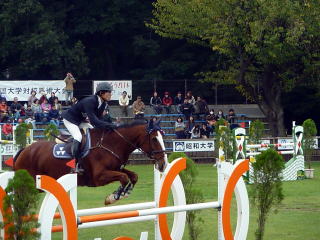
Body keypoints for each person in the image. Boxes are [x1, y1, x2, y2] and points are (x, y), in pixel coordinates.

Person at [61, 82, 116, 173]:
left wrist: (110, 125)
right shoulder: (90, 101)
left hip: (80, 121)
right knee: (78, 137)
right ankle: (74, 164)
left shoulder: (103, 103)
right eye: (109, 92)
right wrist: (110, 126)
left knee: (94, 132)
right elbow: (95, 121)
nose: (111, 94)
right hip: (70, 119)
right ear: (101, 93)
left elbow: (99, 119)